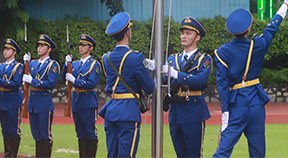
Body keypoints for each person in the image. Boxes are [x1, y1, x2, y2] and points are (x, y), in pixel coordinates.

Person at [213, 0, 288, 158]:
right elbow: (272, 28)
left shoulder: (222, 52)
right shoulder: (257, 45)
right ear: (249, 28)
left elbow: (222, 85)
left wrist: (225, 113)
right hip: (256, 103)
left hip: (236, 104)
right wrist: (285, 3)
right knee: (258, 152)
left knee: (223, 151)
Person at [99, 12, 155, 158]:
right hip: (128, 111)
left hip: (111, 110)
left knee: (112, 154)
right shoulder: (136, 58)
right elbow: (149, 87)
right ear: (128, 33)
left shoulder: (106, 58)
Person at [162, 16, 212, 158]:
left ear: (197, 37)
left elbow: (201, 81)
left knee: (194, 154)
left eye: (188, 33)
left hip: (193, 111)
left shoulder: (204, 59)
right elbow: (164, 80)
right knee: (180, 154)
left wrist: (177, 74)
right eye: (182, 33)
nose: (183, 36)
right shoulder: (173, 59)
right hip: (176, 112)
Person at [63, 34, 101, 158]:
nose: (81, 47)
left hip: (88, 101)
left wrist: (74, 80)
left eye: (84, 45)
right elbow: (63, 76)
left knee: (90, 132)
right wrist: (66, 64)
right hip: (77, 101)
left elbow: (91, 83)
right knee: (80, 133)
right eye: (80, 45)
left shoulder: (94, 64)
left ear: (91, 48)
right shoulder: (74, 64)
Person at [22, 34, 60, 157]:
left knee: (45, 135)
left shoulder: (52, 65)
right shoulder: (32, 64)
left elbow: (50, 84)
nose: (39, 48)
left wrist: (32, 81)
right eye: (38, 45)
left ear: (49, 49)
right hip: (33, 104)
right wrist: (25, 63)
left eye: (43, 46)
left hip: (43, 104)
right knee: (36, 135)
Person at [0, 38, 24, 158]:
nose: (5, 51)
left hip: (13, 101)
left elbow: (16, 84)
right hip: (2, 101)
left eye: (8, 49)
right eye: (5, 49)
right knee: (5, 129)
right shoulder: (1, 66)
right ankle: (7, 153)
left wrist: (0, 80)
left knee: (13, 129)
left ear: (14, 52)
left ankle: (13, 154)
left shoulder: (18, 66)